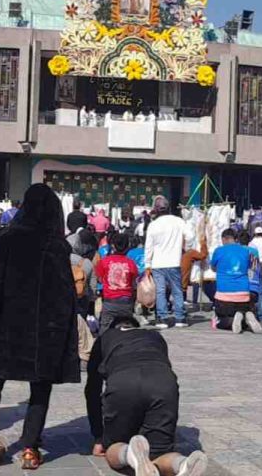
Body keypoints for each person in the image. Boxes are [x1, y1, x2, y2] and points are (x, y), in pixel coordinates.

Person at [0, 184, 79, 470]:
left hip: (5, 323)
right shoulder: (55, 246)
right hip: (41, 328)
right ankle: (30, 446)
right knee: (40, 385)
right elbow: (65, 294)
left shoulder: (6, 241)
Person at [85, 316, 208, 476]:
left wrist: (99, 436)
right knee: (159, 452)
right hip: (163, 382)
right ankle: (181, 464)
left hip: (123, 382)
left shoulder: (105, 338)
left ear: (114, 328)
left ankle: (128, 453)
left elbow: (92, 390)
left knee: (114, 447)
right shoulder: (155, 336)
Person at [144, 196, 193, 329]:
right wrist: (186, 249)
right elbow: (191, 236)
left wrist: (147, 264)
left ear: (156, 210)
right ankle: (180, 318)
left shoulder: (153, 225)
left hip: (157, 263)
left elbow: (148, 246)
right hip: (174, 261)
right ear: (169, 208)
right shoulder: (178, 221)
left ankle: (162, 318)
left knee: (160, 291)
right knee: (177, 290)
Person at [209, 229, 261, 333]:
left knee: (220, 321)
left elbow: (213, 268)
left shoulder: (219, 251)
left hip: (224, 294)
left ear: (224, 239)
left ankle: (234, 320)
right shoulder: (246, 251)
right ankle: (245, 315)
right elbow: (253, 267)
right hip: (243, 293)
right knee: (242, 313)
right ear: (235, 239)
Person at [95, 232, 138, 333]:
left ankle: (103, 346)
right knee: (126, 328)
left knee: (105, 328)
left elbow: (100, 279)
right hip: (126, 301)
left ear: (113, 246)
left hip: (110, 301)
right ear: (128, 246)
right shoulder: (131, 263)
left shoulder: (104, 261)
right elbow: (133, 281)